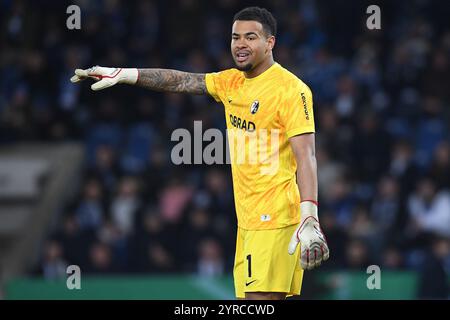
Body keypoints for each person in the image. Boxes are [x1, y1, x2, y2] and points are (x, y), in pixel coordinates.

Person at [70, 6, 329, 300]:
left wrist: (310, 216)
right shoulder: (231, 82)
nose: (240, 44)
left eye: (250, 37)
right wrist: (126, 74)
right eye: (235, 37)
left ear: (270, 43)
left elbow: (306, 155)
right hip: (248, 221)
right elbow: (181, 80)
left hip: (275, 218)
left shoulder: (291, 90)